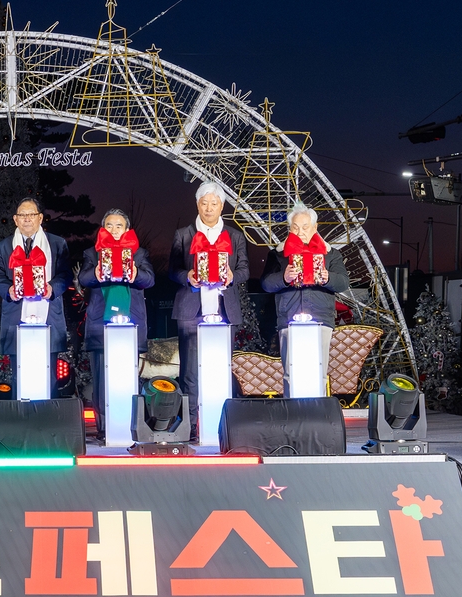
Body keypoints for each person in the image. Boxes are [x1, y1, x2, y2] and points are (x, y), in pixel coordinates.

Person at [169, 182, 249, 433]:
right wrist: (187, 276)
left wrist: (232, 276)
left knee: (220, 370)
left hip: (224, 310)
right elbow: (172, 270)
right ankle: (190, 426)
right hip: (192, 309)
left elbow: (245, 269)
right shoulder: (183, 234)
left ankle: (222, 427)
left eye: (214, 203)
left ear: (222, 206)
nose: (208, 208)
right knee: (190, 373)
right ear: (197, 204)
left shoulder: (235, 236)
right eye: (204, 203)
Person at [78, 209, 155, 433]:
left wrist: (134, 273)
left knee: (127, 378)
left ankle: (130, 427)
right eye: (109, 225)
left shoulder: (139, 254)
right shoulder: (93, 253)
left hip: (130, 325)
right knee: (101, 380)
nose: (114, 230)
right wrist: (97, 273)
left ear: (127, 229)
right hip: (100, 325)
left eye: (118, 226)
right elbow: (83, 278)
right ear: (103, 229)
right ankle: (104, 429)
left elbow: (149, 279)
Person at [0, 197, 73, 396]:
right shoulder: (4, 246)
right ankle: (23, 418)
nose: (27, 219)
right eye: (22, 215)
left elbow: (65, 274)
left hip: (48, 314)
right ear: (15, 219)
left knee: (49, 372)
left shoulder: (57, 243)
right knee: (20, 371)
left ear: (40, 218)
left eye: (31, 215)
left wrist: (52, 288)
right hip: (16, 314)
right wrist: (7, 290)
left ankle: (48, 417)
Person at [260, 201, 350, 375]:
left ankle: (318, 403)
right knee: (291, 373)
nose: (300, 232)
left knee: (318, 373)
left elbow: (343, 283)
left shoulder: (330, 254)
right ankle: (291, 403)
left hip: (321, 319)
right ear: (289, 229)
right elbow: (265, 284)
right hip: (288, 319)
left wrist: (327, 277)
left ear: (315, 227)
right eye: (295, 227)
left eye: (305, 227)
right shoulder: (278, 254)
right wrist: (284, 278)